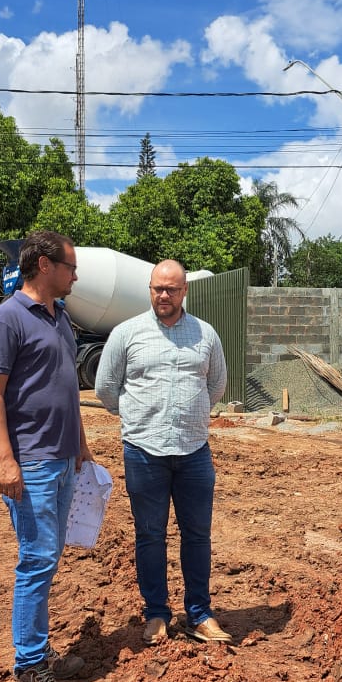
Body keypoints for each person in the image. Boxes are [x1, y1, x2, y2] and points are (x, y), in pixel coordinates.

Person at [0, 230, 92, 682]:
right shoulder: (7, 318)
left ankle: (39, 658)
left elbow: (64, 386)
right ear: (44, 266)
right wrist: (6, 460)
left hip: (63, 458)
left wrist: (82, 445)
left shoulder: (61, 317)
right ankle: (28, 674)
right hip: (33, 463)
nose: (74, 275)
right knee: (36, 561)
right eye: (69, 267)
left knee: (46, 559)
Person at [94, 259, 232, 645]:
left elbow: (217, 384)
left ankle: (200, 614)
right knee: (150, 535)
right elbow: (106, 387)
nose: (164, 295)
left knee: (197, 535)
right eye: (158, 289)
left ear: (185, 290)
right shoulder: (126, 334)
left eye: (172, 289)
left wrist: (190, 415)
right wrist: (139, 414)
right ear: (149, 289)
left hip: (194, 453)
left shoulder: (205, 335)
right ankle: (156, 613)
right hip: (143, 451)